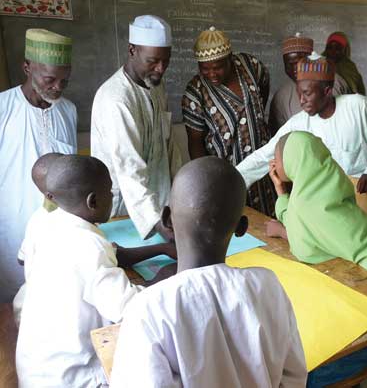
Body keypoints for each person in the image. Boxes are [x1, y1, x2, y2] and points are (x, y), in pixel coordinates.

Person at [109, 157, 307, 388]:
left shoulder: (149, 309)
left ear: (166, 220)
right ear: (242, 227)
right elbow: (294, 376)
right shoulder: (267, 285)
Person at [16, 155, 144, 387]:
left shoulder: (50, 224)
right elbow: (129, 309)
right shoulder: (89, 245)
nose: (113, 196)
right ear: (92, 201)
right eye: (110, 191)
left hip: (35, 367)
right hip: (71, 377)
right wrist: (159, 285)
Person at [236, 52, 367, 195]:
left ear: (327, 91)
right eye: (299, 94)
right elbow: (264, 156)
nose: (302, 101)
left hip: (366, 195)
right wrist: (232, 179)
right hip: (329, 201)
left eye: (307, 93)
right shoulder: (299, 123)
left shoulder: (358, 106)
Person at [0, 28, 77, 303]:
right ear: (27, 67)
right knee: (12, 306)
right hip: (12, 231)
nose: (57, 87)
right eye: (49, 79)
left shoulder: (68, 110)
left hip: (59, 231)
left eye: (64, 80)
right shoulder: (3, 108)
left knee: (54, 302)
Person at [91, 15, 180, 242]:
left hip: (161, 205)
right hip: (124, 211)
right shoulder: (116, 99)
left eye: (166, 61)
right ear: (132, 50)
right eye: (153, 61)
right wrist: (157, 223)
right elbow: (129, 168)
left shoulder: (155, 86)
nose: (160, 69)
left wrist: (182, 194)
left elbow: (168, 144)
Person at [268, 131, 367, 282]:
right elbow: (303, 226)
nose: (274, 163)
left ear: (293, 159)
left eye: (277, 158)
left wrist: (282, 230)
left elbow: (303, 242)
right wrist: (281, 192)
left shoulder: (306, 203)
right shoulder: (330, 180)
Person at [182, 27, 276, 216]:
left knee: (270, 223)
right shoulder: (195, 93)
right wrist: (208, 183)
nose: (212, 74)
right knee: (235, 225)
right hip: (227, 176)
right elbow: (195, 143)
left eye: (218, 67)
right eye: (205, 68)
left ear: (230, 58)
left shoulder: (251, 66)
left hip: (263, 170)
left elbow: (262, 93)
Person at [12, 153, 62, 325]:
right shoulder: (66, 222)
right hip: (49, 318)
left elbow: (21, 259)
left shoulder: (37, 217)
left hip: (27, 306)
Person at [268, 33, 350, 134]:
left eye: (299, 63)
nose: (295, 69)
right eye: (290, 64)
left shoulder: (335, 82)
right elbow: (278, 138)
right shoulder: (280, 96)